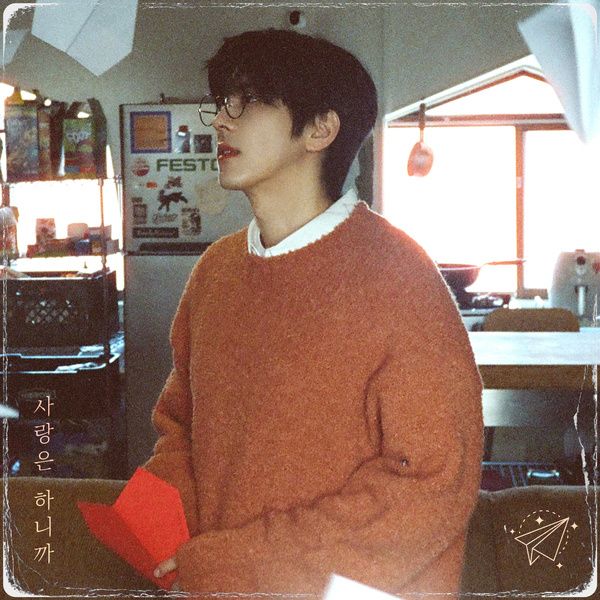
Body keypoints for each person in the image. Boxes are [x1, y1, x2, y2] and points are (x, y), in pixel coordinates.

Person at [145, 28, 483, 598]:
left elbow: (431, 481)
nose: (221, 121)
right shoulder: (215, 271)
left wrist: (238, 567)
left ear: (321, 129)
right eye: (222, 102)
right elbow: (179, 425)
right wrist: (168, 533)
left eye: (250, 101)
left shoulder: (400, 278)